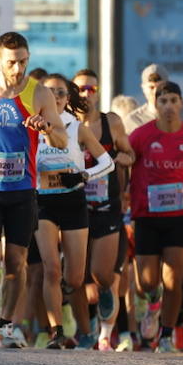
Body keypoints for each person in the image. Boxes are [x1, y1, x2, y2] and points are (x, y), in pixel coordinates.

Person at [0, 31, 67, 348]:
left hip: (23, 190)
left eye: (24, 61)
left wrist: (47, 128)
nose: (18, 68)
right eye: (12, 62)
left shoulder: (39, 94)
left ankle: (7, 325)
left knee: (16, 262)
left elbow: (62, 140)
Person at [127, 80, 183, 352]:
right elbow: (126, 160)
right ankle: (153, 303)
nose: (168, 106)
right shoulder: (141, 135)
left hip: (179, 215)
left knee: (174, 279)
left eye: (173, 101)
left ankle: (165, 335)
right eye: (163, 101)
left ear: (181, 104)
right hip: (146, 215)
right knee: (147, 282)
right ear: (156, 105)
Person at [29, 74, 113, 348]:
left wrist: (83, 176)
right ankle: (56, 331)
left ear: (68, 98)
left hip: (73, 201)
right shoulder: (32, 126)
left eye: (61, 93)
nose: (55, 97)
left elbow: (108, 163)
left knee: (74, 278)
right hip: (43, 202)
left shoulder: (77, 129)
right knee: (51, 269)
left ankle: (64, 298)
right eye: (49, 92)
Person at [71, 69, 135, 349]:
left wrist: (124, 157)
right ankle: (86, 330)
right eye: (81, 89)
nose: (86, 94)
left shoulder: (112, 122)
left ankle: (108, 289)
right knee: (74, 277)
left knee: (102, 274)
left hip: (107, 204)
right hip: (75, 206)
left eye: (91, 89)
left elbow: (131, 153)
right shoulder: (66, 124)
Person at [125, 64, 183, 129]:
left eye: (159, 86)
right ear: (143, 88)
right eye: (151, 87)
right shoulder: (133, 121)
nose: (155, 91)